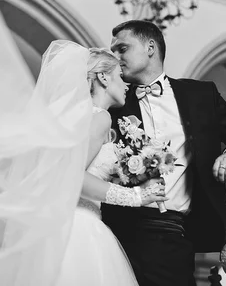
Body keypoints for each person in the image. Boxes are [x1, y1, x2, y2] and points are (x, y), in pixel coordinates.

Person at [102, 20, 226, 286]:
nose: (116, 58)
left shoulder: (201, 94)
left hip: (178, 232)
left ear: (150, 47)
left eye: (122, 48)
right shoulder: (114, 101)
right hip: (120, 230)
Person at [54, 46, 168, 286]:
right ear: (103, 77)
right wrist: (136, 196)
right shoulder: (100, 117)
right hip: (82, 228)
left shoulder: (80, 119)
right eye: (119, 76)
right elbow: (73, 176)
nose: (126, 84)